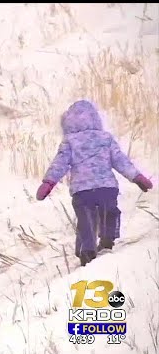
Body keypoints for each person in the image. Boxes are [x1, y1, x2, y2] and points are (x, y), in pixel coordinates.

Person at [35, 99, 153, 266]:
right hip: (106, 187)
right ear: (96, 118)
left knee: (85, 220)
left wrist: (49, 182)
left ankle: (86, 250)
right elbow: (120, 161)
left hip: (82, 191)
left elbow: (59, 164)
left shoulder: (69, 141)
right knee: (111, 212)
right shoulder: (105, 138)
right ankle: (107, 239)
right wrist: (136, 177)